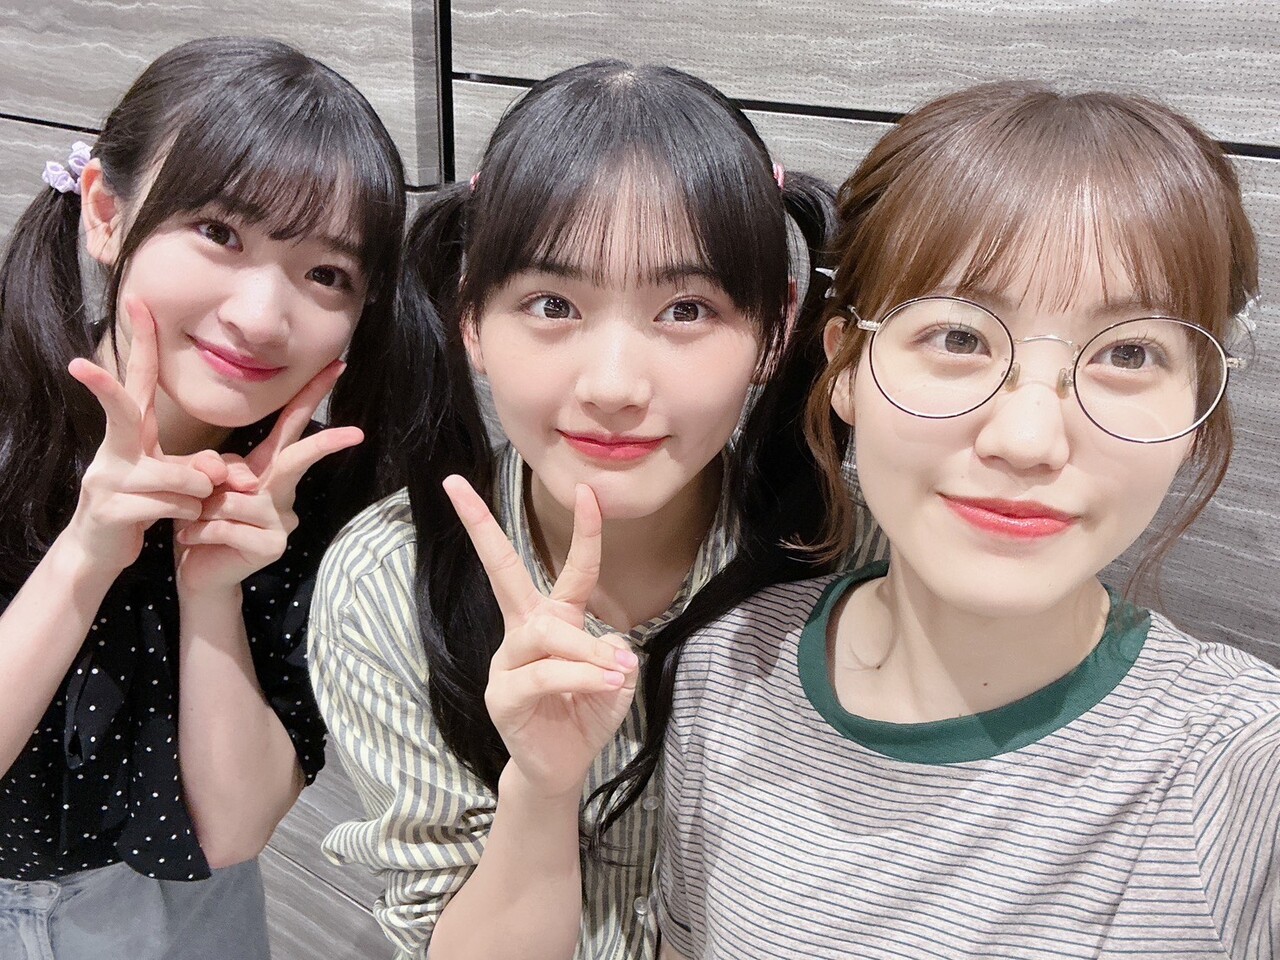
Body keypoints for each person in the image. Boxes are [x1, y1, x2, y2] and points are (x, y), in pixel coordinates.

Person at [655, 81, 1278, 960]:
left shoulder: (1242, 772)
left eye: (1130, 352)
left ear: (1197, 417)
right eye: (959, 338)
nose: (1027, 440)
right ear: (846, 369)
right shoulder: (728, 668)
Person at [308, 59, 882, 960]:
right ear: (471, 319)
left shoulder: (856, 558)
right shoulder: (387, 581)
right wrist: (540, 787)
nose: (613, 386)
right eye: (552, 304)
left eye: (686, 309)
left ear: (774, 330)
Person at [0, 36, 406, 960]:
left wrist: (212, 589)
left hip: (181, 918)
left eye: (326, 274)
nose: (261, 317)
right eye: (220, 232)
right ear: (106, 211)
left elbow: (232, 832)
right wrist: (86, 552)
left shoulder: (314, 501)